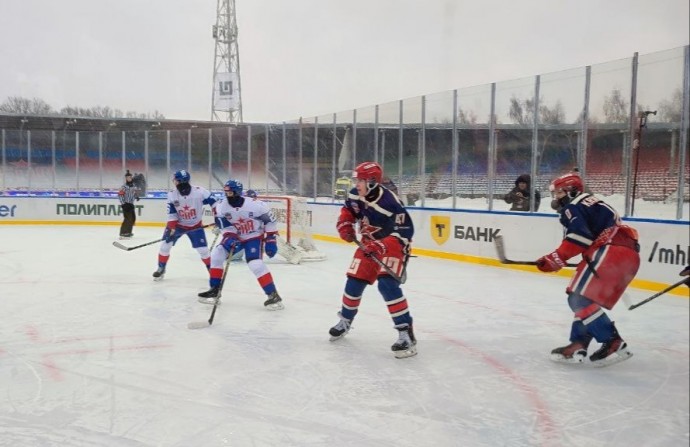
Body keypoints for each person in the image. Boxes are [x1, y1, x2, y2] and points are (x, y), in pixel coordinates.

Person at [537, 172, 640, 366]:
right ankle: (579, 343)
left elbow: (578, 238)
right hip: (626, 256)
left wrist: (554, 259)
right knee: (583, 298)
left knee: (578, 298)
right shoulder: (591, 203)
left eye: (559, 193)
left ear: (572, 191)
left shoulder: (574, 205)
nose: (556, 198)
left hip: (610, 252)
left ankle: (613, 342)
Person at [330, 161, 416, 359]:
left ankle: (406, 333)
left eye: (360, 180)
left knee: (387, 285)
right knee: (353, 283)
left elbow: (404, 231)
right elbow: (349, 210)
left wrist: (381, 245)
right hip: (368, 244)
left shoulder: (390, 202)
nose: (356, 184)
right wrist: (345, 224)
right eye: (356, 180)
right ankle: (345, 320)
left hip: (394, 246)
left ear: (372, 182)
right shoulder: (355, 194)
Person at [198, 179, 284, 310]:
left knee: (255, 264)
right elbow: (225, 227)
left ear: (237, 192)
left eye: (230, 192)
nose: (227, 195)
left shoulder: (256, 205)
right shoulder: (221, 206)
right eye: (225, 192)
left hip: (253, 236)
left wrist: (271, 239)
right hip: (235, 237)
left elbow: (270, 222)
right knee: (216, 255)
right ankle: (214, 290)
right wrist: (230, 238)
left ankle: (273, 295)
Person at [152, 170, 217, 281]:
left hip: (195, 226)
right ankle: (161, 268)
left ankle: (212, 271)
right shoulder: (172, 195)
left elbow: (215, 203)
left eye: (176, 180)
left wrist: (218, 220)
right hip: (178, 225)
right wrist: (171, 228)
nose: (174, 182)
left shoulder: (200, 192)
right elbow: (172, 214)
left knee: (204, 251)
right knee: (164, 246)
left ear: (181, 182)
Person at [118, 170, 139, 239]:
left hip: (131, 204)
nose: (129, 178)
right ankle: (123, 232)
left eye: (130, 177)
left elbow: (134, 192)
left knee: (133, 218)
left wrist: (136, 196)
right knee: (128, 219)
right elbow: (120, 195)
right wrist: (123, 204)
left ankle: (128, 232)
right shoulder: (124, 187)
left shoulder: (133, 186)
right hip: (126, 204)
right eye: (128, 177)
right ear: (126, 178)